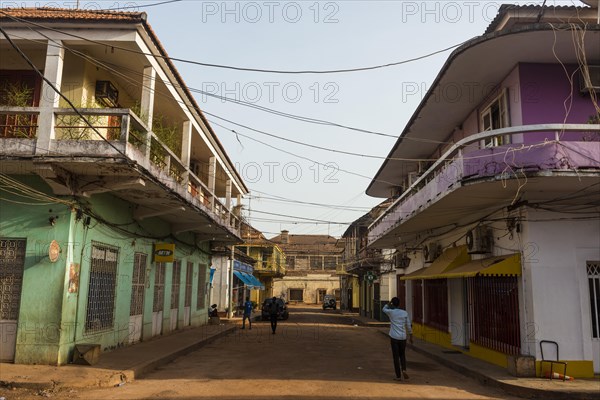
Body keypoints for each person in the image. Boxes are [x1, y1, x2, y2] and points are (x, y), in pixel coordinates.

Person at [382, 297, 413, 381]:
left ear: (393, 304)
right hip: (403, 337)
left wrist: (389, 303)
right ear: (399, 304)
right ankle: (404, 369)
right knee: (402, 355)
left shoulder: (391, 312)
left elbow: (383, 309)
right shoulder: (404, 313)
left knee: (396, 357)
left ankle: (398, 376)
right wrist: (411, 336)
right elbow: (408, 325)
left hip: (394, 337)